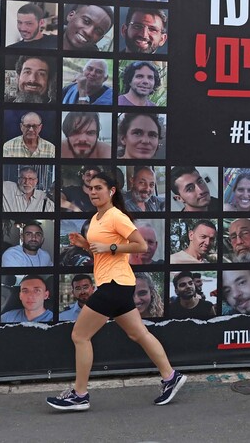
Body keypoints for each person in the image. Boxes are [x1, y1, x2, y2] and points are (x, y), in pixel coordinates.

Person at [46, 172, 186, 410]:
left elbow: (139, 245)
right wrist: (85, 246)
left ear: (111, 191)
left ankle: (79, 395)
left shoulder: (115, 216)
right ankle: (171, 377)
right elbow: (102, 253)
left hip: (115, 284)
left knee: (80, 336)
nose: (93, 192)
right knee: (138, 334)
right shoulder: (98, 218)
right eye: (90, 188)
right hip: (118, 283)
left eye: (98, 188)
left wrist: (111, 246)